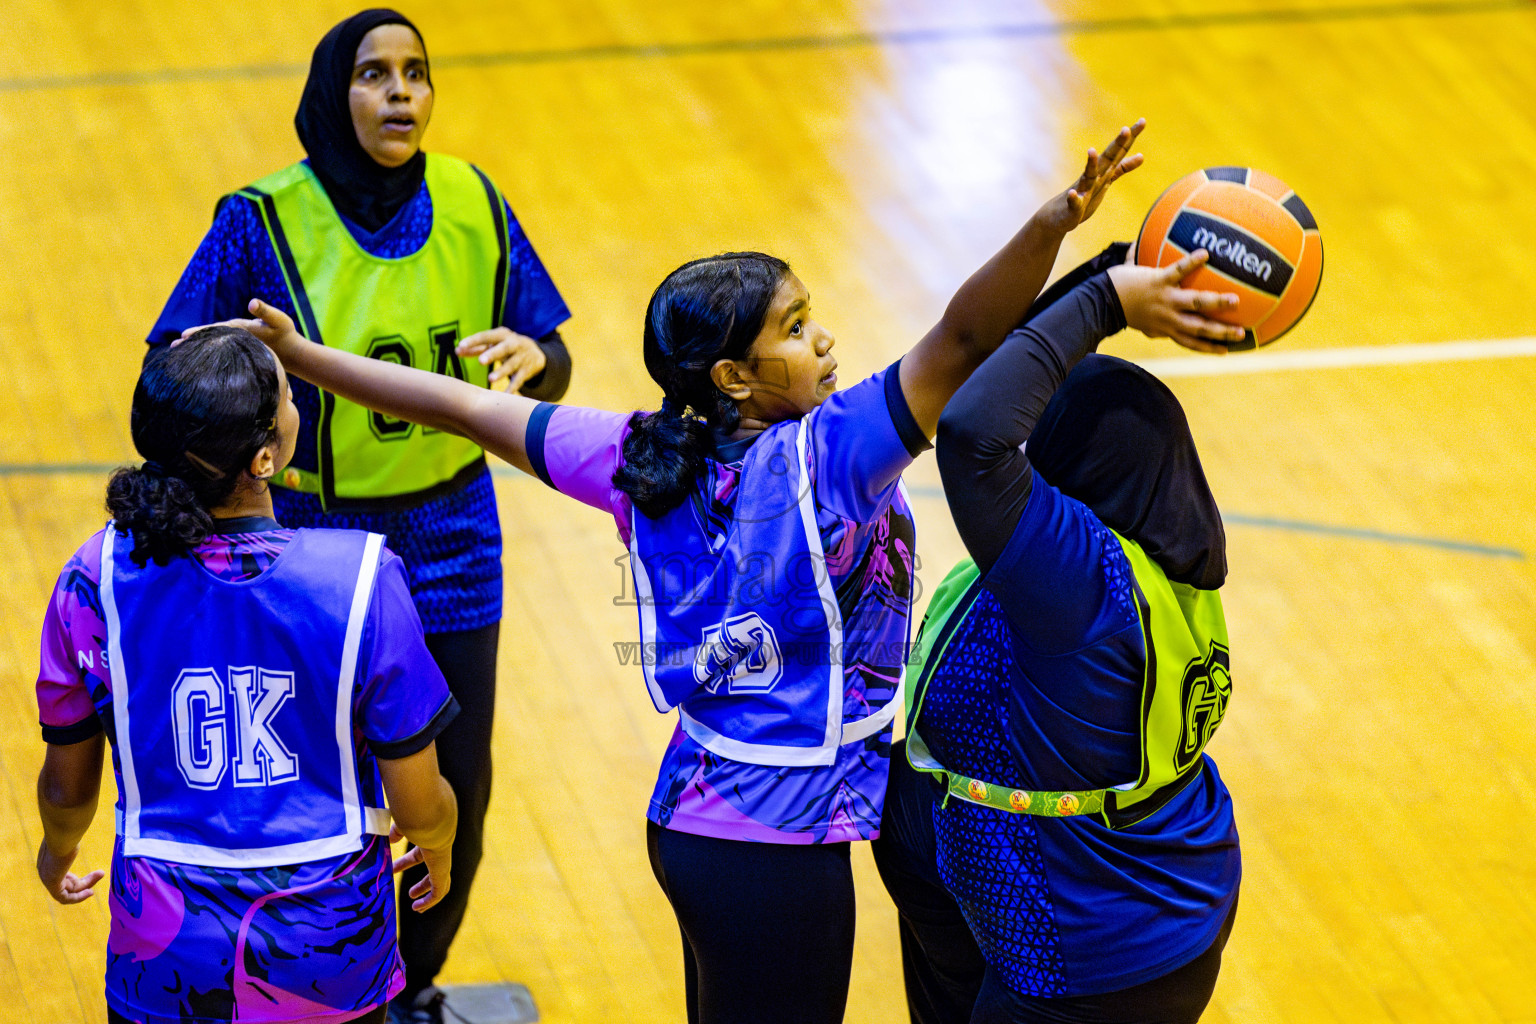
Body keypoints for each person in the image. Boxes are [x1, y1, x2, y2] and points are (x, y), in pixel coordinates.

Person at [223, 119, 1240, 1024]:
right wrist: (1080, 260)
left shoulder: (635, 452)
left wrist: (305, 359)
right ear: (733, 377)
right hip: (777, 853)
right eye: (795, 329)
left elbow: (460, 408)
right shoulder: (828, 458)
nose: (824, 336)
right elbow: (969, 343)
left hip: (698, 819)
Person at [145, 11, 573, 1019]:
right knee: (322, 783)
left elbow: (549, 346)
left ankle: (411, 985)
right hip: (309, 538)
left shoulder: (473, 196)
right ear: (333, 93)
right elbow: (170, 360)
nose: (399, 93)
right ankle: (309, 985)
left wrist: (536, 362)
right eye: (374, 74)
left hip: (455, 525)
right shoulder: (258, 218)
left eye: (417, 74)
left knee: (455, 781)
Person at [34, 327, 459, 1024]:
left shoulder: (92, 578)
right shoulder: (360, 579)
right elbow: (420, 804)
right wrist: (438, 844)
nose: (298, 404)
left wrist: (57, 851)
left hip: (165, 955)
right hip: (328, 952)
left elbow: (67, 785)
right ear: (266, 455)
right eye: (290, 395)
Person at [871, 242, 1246, 1024]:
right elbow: (992, 390)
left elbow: (974, 433)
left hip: (1088, 951)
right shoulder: (1153, 541)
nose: (1026, 448)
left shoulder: (1083, 588)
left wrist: (1109, 300)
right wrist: (1130, 262)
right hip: (1072, 875)